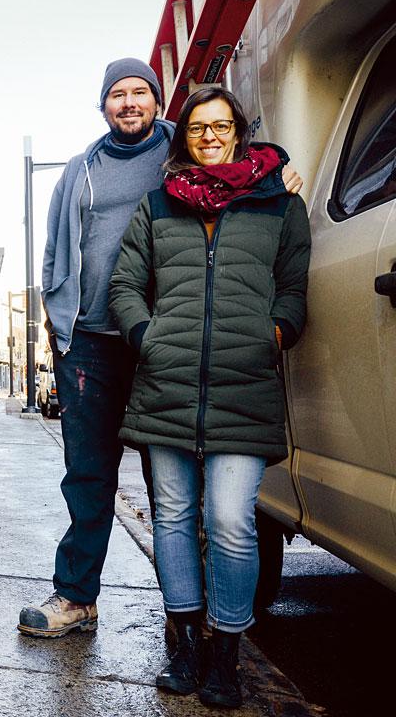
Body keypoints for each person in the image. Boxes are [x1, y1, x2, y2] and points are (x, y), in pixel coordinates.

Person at [18, 59, 303, 640]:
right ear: (103, 106)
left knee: (174, 486)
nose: (129, 103)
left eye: (140, 92)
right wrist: (59, 323)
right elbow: (54, 253)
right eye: (117, 95)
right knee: (88, 475)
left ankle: (192, 615)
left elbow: (247, 165)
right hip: (95, 343)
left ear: (158, 101)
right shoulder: (81, 171)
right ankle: (76, 596)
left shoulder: (187, 147)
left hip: (175, 344)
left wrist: (280, 179)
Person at [109, 87, 309, 708]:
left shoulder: (279, 203)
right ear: (185, 137)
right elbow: (124, 284)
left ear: (239, 132)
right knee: (172, 515)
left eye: (222, 126)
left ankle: (227, 651)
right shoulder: (157, 204)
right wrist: (147, 337)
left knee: (229, 520)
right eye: (199, 128)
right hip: (166, 384)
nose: (211, 136)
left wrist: (274, 334)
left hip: (244, 384)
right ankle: (185, 641)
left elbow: (294, 288)